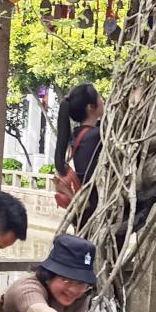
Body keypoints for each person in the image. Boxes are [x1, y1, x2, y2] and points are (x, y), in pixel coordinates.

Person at [53, 83, 105, 222]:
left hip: (83, 207)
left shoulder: (79, 134)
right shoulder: (96, 136)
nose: (103, 100)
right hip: (95, 207)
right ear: (90, 107)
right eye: (100, 97)